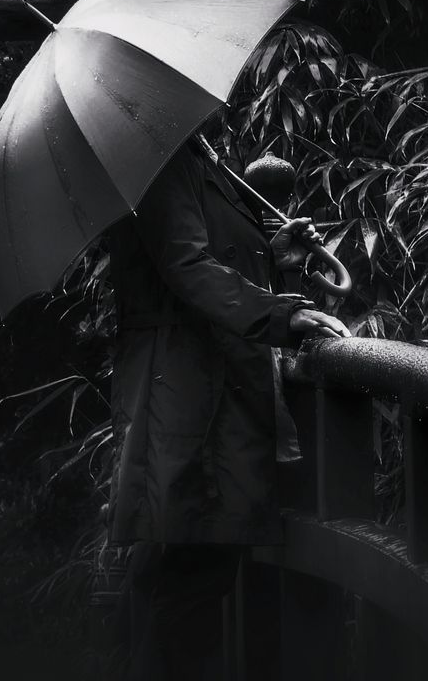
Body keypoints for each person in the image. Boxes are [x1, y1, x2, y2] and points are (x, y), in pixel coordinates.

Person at [105, 132, 349, 680]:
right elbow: (186, 266)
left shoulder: (193, 155)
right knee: (192, 579)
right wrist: (282, 317)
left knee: (192, 573)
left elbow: (216, 259)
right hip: (194, 397)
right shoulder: (160, 160)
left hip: (211, 390)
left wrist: (276, 256)